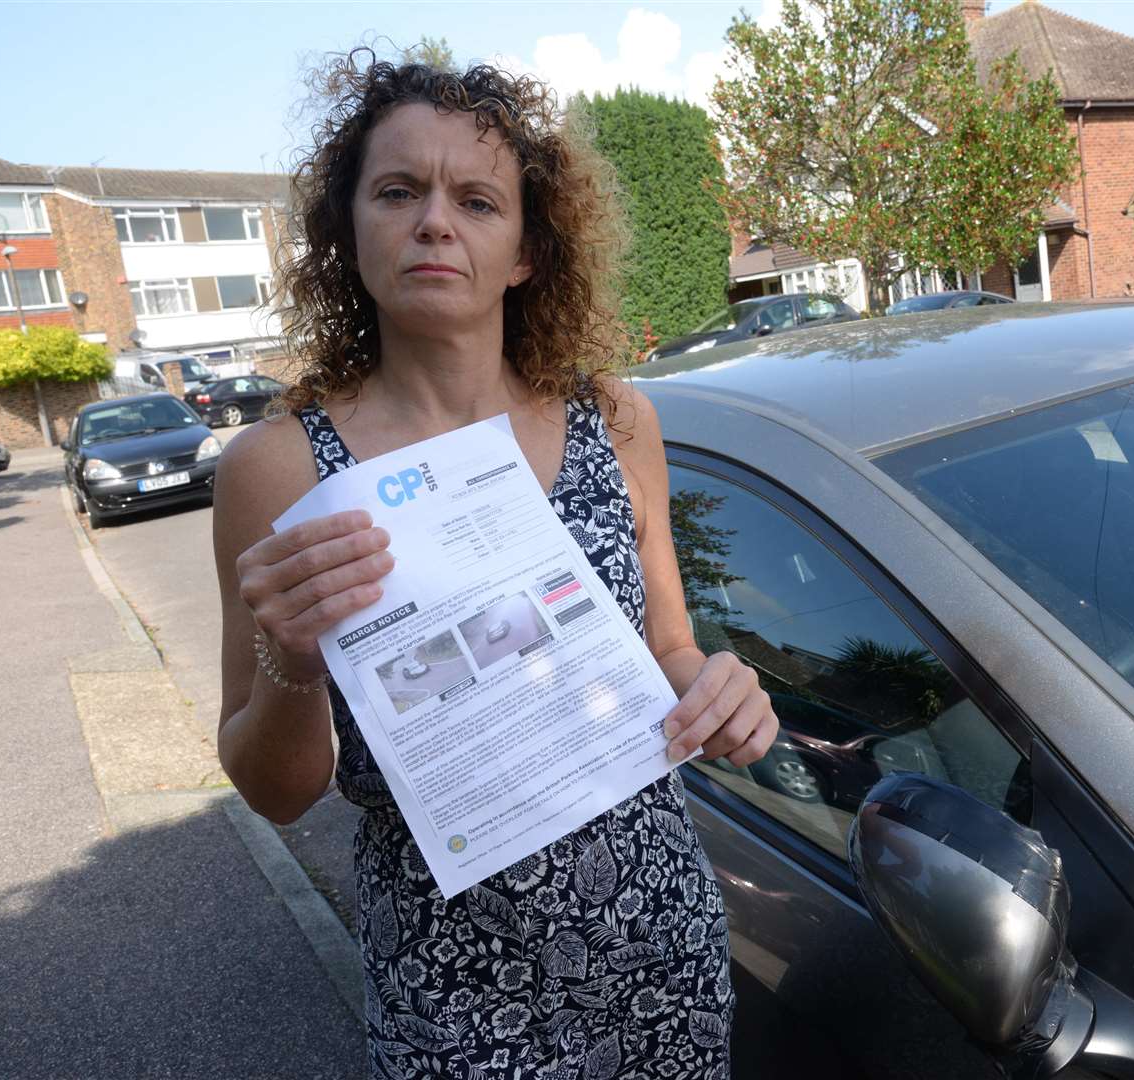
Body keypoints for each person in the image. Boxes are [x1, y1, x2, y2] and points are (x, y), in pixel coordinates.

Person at [213, 53, 777, 1079]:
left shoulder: (615, 419)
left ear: (525, 251)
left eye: (476, 200)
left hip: (663, 946)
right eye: (398, 191)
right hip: (450, 993)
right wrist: (289, 654)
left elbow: (669, 647)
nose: (435, 221)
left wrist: (720, 690)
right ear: (350, 229)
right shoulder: (279, 469)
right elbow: (276, 791)